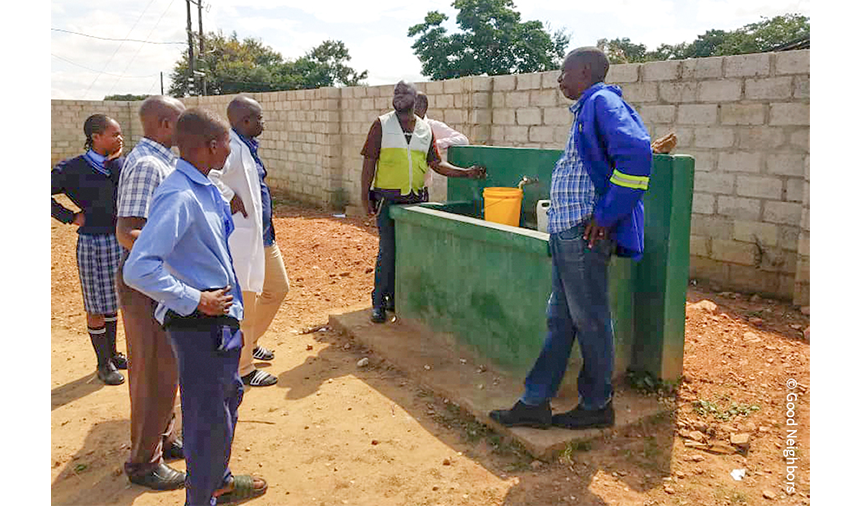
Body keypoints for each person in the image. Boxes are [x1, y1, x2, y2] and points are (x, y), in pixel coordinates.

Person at [489, 47, 652, 430]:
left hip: (583, 233)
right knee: (561, 321)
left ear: (583, 71)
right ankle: (535, 401)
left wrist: (607, 214)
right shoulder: (588, 109)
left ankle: (597, 405)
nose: (558, 80)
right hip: (569, 233)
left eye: (563, 72)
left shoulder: (601, 101)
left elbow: (638, 154)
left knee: (591, 320)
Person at [124, 108, 268, 506]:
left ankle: (216, 481)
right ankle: (201, 497)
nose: (229, 149)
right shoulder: (179, 194)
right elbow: (140, 267)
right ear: (209, 146)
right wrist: (195, 299)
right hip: (199, 325)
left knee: (224, 404)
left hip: (220, 320)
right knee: (206, 420)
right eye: (225, 142)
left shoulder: (205, 187)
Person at [361, 81, 486, 324]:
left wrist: (466, 172)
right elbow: (369, 163)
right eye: (396, 92)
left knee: (412, 252)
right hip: (388, 199)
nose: (398, 96)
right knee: (388, 252)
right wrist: (365, 197)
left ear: (414, 97)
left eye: (404, 92)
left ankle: (398, 299)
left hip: (418, 199)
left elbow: (436, 164)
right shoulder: (381, 124)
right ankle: (379, 302)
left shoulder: (425, 130)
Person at [114, 96, 187, 490]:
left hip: (162, 282)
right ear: (163, 124)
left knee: (167, 365)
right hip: (147, 286)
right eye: (180, 120)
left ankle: (165, 437)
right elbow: (127, 231)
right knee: (152, 372)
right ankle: (143, 462)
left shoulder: (162, 161)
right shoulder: (146, 165)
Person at [209, 95, 289, 388]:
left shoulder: (248, 148)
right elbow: (208, 176)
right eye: (259, 118)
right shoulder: (229, 147)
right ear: (244, 121)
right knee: (247, 303)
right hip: (242, 239)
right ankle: (243, 368)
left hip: (263, 235)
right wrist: (229, 198)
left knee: (277, 289)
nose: (262, 123)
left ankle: (249, 341)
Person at [51, 114, 126, 386]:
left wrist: (116, 159)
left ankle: (113, 352)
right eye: (114, 134)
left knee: (113, 299)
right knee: (96, 303)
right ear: (95, 137)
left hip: (118, 239)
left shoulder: (117, 165)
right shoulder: (73, 168)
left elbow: (124, 187)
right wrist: (69, 217)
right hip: (93, 242)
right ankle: (102, 363)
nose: (120, 138)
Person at [414, 92, 470, 201]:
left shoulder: (432, 126)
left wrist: (434, 145)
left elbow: (463, 140)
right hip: (395, 190)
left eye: (413, 105)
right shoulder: (399, 125)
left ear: (423, 108)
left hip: (421, 190)